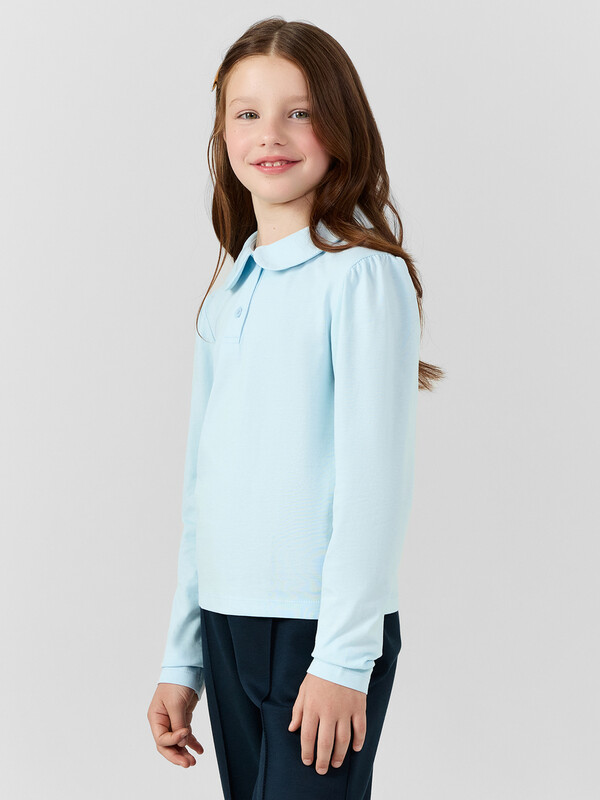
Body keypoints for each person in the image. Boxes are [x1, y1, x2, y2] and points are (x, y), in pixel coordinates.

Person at [147, 16, 444, 800]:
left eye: (300, 111)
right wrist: (183, 656)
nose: (270, 134)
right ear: (222, 134)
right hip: (226, 622)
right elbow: (202, 489)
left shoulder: (361, 275)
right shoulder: (232, 284)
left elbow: (375, 482)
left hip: (319, 630)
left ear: (340, 126)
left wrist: (343, 658)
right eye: (247, 113)